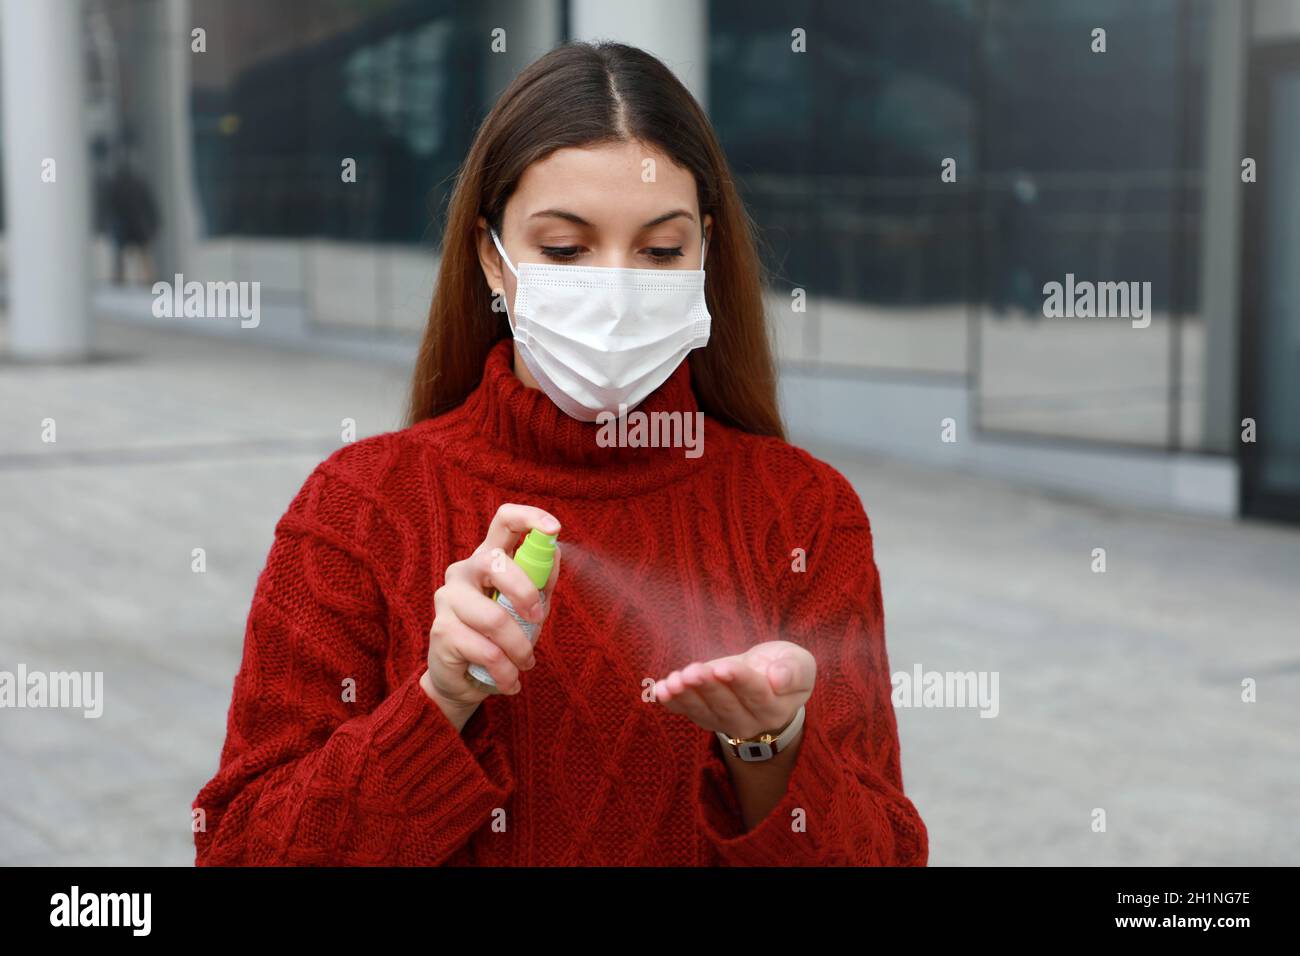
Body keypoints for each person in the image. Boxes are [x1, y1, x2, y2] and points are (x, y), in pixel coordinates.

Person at [192, 41, 928, 866]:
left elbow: (887, 856)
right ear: (489, 257)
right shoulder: (359, 507)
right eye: (565, 250)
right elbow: (239, 850)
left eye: (659, 253)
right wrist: (437, 701)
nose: (614, 292)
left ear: (706, 254)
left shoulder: (805, 513)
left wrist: (770, 747)